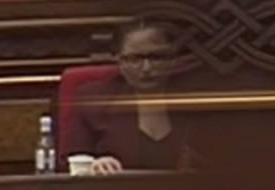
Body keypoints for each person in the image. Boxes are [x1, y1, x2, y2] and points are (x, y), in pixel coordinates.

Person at [63, 22, 197, 173]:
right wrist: (96, 164)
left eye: (156, 57)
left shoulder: (196, 99)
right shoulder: (93, 101)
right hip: (116, 187)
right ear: (119, 61)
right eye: (135, 59)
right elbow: (73, 163)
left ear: (173, 59)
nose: (146, 68)